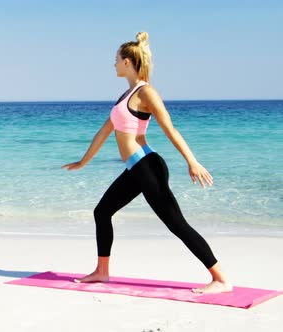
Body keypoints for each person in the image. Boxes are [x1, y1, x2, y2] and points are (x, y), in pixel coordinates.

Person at [61, 32, 233, 294]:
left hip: (148, 166)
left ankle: (220, 278)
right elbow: (104, 131)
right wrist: (83, 162)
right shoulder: (124, 96)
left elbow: (170, 129)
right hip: (135, 168)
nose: (114, 64)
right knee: (102, 212)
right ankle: (102, 271)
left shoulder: (146, 93)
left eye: (116, 59)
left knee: (176, 223)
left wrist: (192, 161)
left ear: (128, 62)